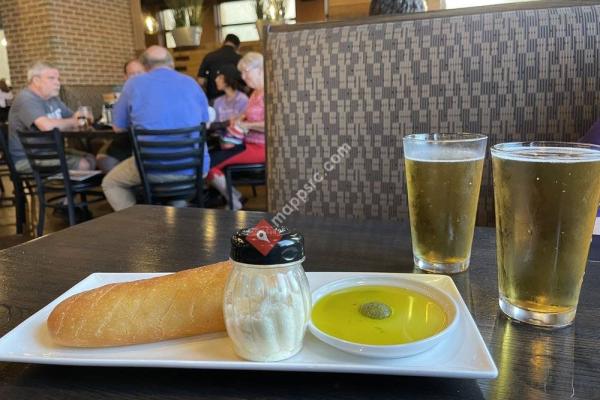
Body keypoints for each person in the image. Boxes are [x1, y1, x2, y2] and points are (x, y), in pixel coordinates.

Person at [101, 46, 210, 211]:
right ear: (172, 63)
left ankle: (138, 223)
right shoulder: (191, 83)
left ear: (144, 66)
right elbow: (206, 124)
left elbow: (118, 127)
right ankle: (177, 209)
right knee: (174, 186)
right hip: (195, 168)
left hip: (152, 168)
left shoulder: (133, 84)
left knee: (111, 183)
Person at [7, 61, 95, 173]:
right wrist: (75, 121)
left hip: (52, 152)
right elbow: (46, 126)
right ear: (36, 80)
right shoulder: (26, 98)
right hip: (27, 159)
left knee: (91, 158)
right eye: (51, 78)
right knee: (83, 164)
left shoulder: (53, 99)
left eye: (58, 79)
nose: (57, 83)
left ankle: (65, 184)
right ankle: (58, 184)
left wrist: (83, 116)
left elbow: (75, 117)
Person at [207, 52, 265, 210]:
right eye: (242, 73)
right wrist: (238, 119)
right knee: (208, 160)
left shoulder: (269, 93)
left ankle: (235, 201)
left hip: (262, 148)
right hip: (248, 144)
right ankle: (235, 198)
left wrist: (248, 125)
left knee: (208, 164)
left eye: (246, 71)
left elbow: (273, 124)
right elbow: (247, 115)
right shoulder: (255, 93)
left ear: (260, 69)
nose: (243, 77)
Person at [95, 59, 146, 173]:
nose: (136, 77)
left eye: (139, 73)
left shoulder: (153, 92)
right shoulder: (119, 94)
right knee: (103, 159)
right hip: (126, 137)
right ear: (125, 77)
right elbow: (116, 125)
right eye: (132, 74)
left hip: (146, 140)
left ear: (146, 73)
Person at [197, 34, 242, 103]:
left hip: (213, 98)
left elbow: (201, 81)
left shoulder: (209, 56)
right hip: (235, 99)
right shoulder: (239, 58)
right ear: (238, 46)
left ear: (224, 42)